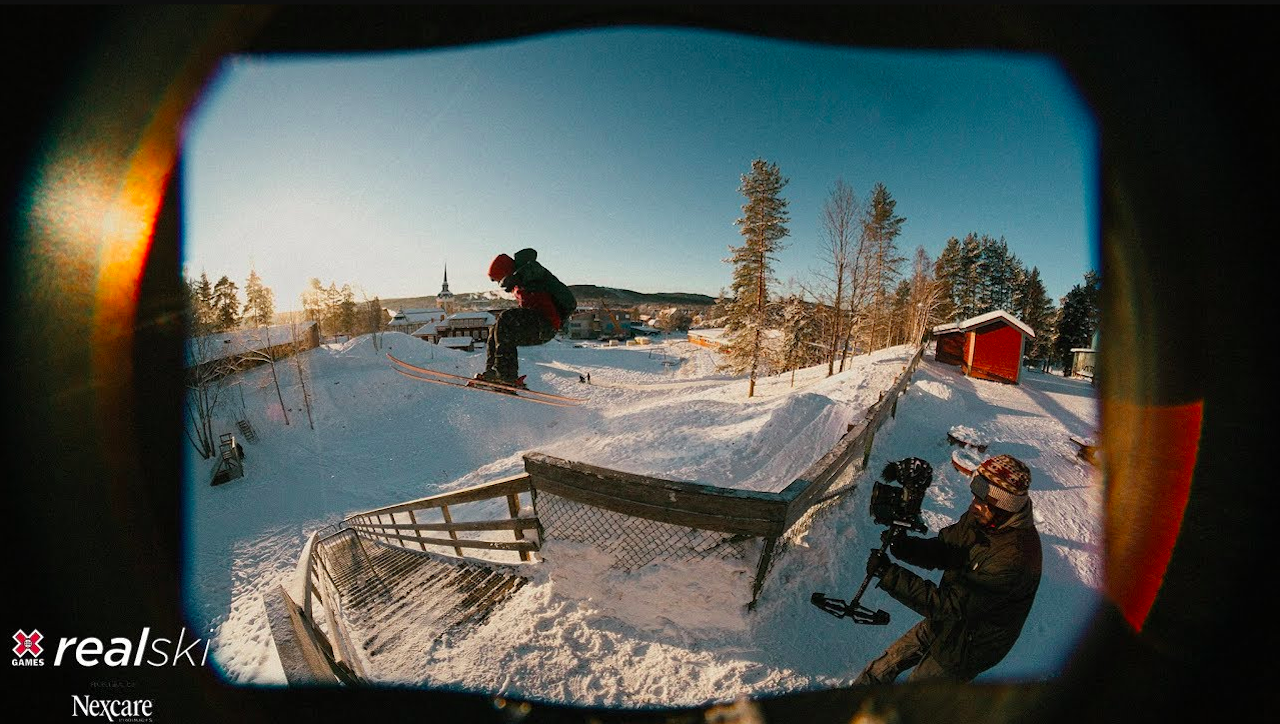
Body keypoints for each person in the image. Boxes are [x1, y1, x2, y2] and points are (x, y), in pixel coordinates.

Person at [854, 453, 1042, 685]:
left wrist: (890, 575)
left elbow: (952, 605)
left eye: (984, 500)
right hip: (943, 624)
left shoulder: (1014, 558)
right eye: (976, 496)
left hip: (967, 648)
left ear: (1004, 506)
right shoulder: (984, 516)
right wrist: (905, 547)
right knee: (882, 668)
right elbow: (948, 549)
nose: (974, 505)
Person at [472, 248, 576, 389]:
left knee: (506, 318)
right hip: (536, 325)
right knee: (496, 328)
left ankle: (505, 375)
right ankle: (493, 372)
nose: (500, 285)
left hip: (545, 325)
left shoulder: (533, 271)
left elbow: (534, 269)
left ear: (507, 272)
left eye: (500, 280)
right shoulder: (520, 285)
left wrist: (517, 276)